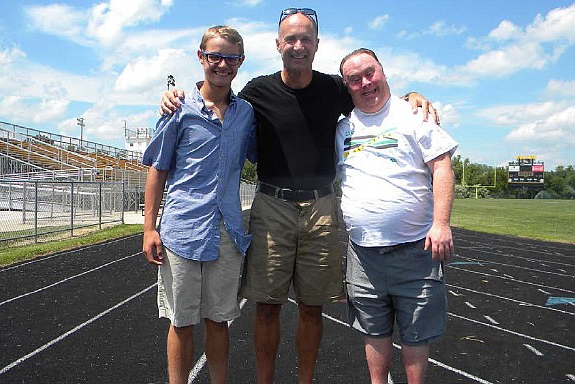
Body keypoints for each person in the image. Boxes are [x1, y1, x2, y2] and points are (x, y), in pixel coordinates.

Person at [159, 9, 439, 384]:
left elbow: (374, 95)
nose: (298, 45)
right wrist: (177, 94)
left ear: (317, 45)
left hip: (321, 208)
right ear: (278, 45)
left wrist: (412, 96)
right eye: (290, 38)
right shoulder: (257, 91)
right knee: (267, 308)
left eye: (305, 38)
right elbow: (216, 98)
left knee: (311, 308)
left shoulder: (334, 90)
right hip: (272, 205)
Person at [335, 48, 457, 384]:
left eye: (370, 73)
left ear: (383, 71)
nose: (365, 82)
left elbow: (442, 166)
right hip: (362, 252)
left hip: (415, 249)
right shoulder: (343, 127)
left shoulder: (414, 114)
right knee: (373, 331)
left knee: (416, 333)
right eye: (354, 79)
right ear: (347, 86)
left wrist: (441, 223)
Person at [142, 26, 255, 384]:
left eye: (231, 58)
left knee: (219, 320)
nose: (223, 65)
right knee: (182, 321)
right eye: (215, 56)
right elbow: (157, 171)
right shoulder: (177, 109)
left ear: (241, 62)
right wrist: (149, 229)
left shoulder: (247, 113)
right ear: (200, 57)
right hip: (182, 231)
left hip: (227, 232)